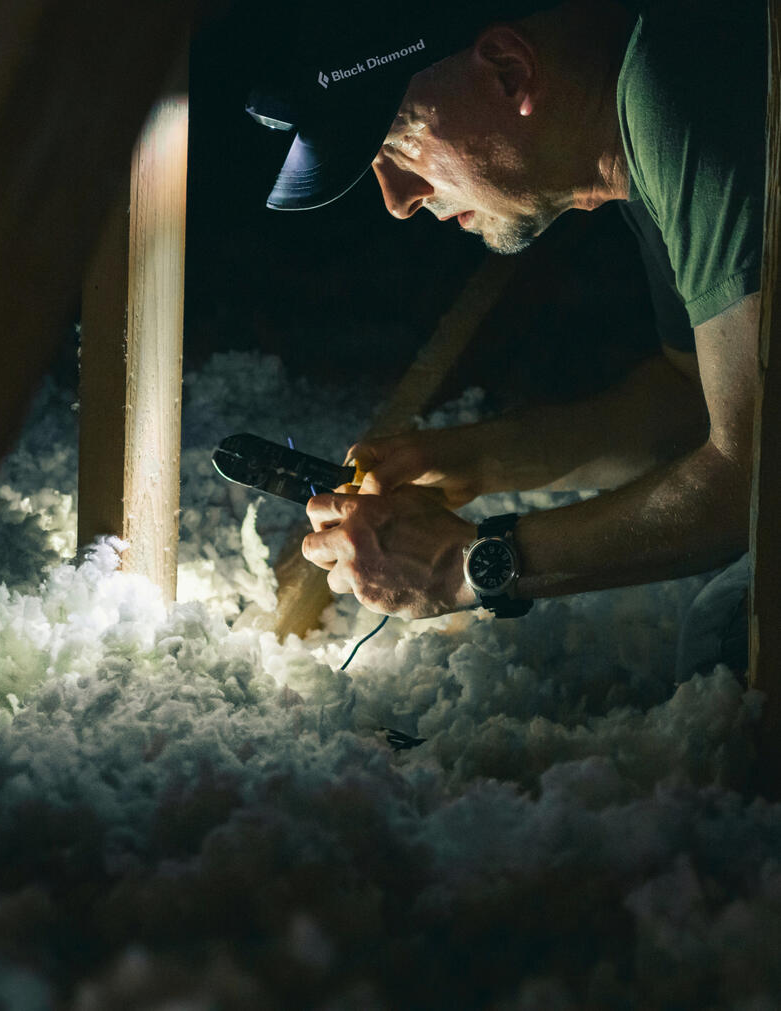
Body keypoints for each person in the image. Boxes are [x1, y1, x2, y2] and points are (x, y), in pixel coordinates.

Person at [246, 0, 764, 670]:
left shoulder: (678, 85)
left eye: (398, 144)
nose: (397, 200)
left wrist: (462, 567)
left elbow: (750, 478)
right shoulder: (630, 140)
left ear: (509, 71)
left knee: (725, 639)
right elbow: (694, 398)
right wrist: (482, 461)